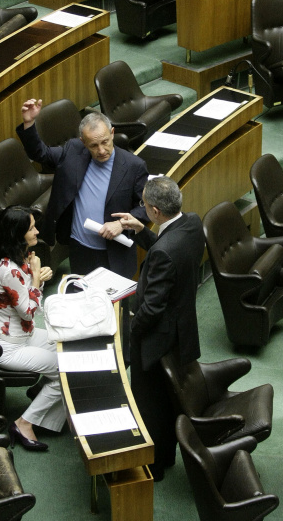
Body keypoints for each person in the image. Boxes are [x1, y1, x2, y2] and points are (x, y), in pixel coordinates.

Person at [113, 176, 204, 482]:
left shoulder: (166, 250)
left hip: (156, 339)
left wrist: (127, 332)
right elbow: (168, 251)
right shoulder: (192, 224)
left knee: (149, 403)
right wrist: (142, 233)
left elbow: (151, 308)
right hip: (181, 328)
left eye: (143, 206)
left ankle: (154, 464)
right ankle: (165, 456)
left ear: (153, 210)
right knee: (167, 399)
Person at [16, 98, 149, 279]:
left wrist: (121, 224)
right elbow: (41, 153)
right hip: (80, 248)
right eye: (93, 145)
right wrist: (29, 123)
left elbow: (144, 208)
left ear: (112, 133)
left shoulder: (134, 166)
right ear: (83, 142)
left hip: (115, 252)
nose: (101, 150)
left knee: (114, 305)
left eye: (105, 142)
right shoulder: (73, 150)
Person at [0, 205, 66, 452]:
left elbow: (29, 299)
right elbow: (30, 310)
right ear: (17, 234)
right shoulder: (8, 269)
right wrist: (36, 278)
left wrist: (39, 277)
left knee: (68, 348)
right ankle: (24, 423)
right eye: (31, 227)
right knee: (63, 371)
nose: (37, 231)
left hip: (25, 335)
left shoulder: (21, 257)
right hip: (9, 347)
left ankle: (40, 390)